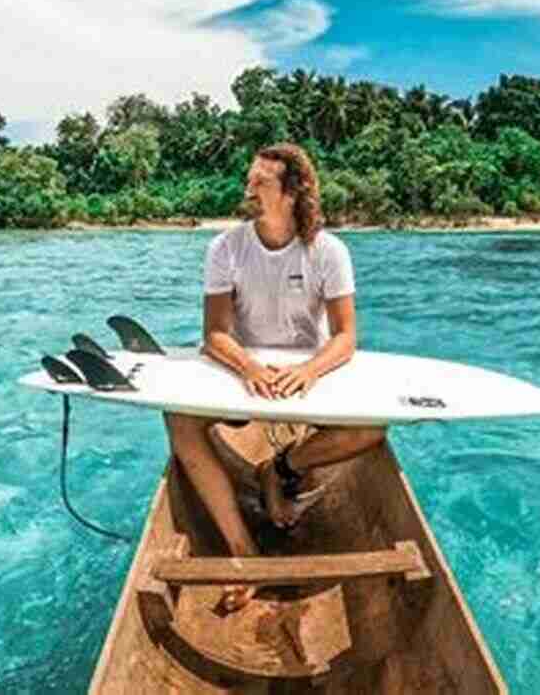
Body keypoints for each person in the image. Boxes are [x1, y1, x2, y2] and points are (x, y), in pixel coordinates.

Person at [163, 143, 386, 612]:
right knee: (180, 421)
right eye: (251, 177)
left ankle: (281, 467)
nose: (248, 187)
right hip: (245, 371)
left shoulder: (328, 251)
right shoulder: (225, 247)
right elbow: (215, 335)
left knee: (372, 430)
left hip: (309, 373)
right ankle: (243, 550)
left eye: (261, 181)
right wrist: (249, 368)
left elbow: (345, 338)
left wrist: (307, 370)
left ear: (291, 193)